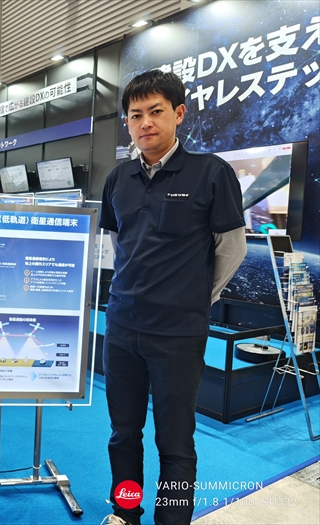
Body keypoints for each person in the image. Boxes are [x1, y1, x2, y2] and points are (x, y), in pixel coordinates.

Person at [99, 70, 246, 525]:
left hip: (178, 335)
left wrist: (195, 298)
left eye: (155, 111)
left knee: (175, 442)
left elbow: (231, 249)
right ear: (127, 122)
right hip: (121, 329)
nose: (145, 123)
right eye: (135, 115)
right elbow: (116, 245)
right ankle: (126, 512)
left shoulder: (211, 172)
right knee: (123, 434)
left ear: (179, 114)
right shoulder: (118, 178)